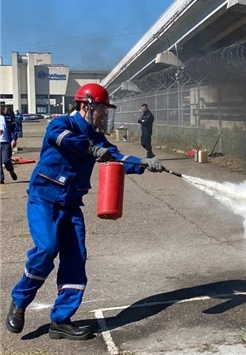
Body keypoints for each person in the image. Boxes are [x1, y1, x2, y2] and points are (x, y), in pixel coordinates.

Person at [5, 83, 164, 340]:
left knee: (76, 259)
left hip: (71, 204)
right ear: (86, 105)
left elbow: (116, 157)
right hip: (44, 199)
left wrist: (143, 163)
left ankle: (61, 321)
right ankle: (20, 301)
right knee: (46, 248)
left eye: (105, 110)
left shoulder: (97, 137)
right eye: (101, 108)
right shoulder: (61, 125)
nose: (103, 114)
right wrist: (91, 149)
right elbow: (66, 141)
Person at [0, 107, 18, 184]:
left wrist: (14, 139)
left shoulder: (8, 117)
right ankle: (1, 178)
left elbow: (14, 129)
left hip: (6, 142)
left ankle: (11, 170)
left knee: (6, 160)